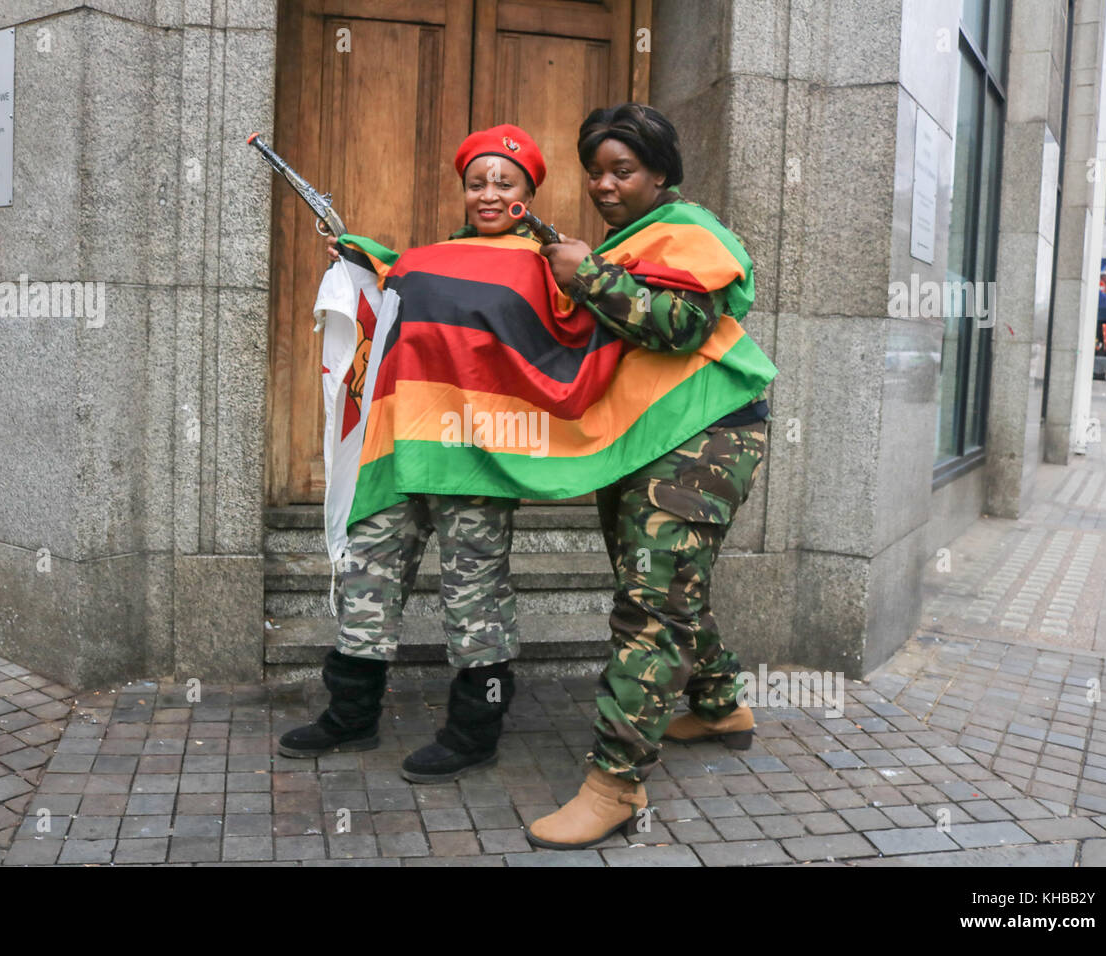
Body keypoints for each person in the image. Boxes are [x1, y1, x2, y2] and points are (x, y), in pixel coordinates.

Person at [528, 103, 774, 848]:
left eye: (622, 170)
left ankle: (615, 786)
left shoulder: (688, 231)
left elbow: (682, 326)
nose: (604, 184)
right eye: (594, 171)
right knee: (665, 589)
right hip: (654, 438)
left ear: (660, 171)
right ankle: (723, 704)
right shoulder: (629, 240)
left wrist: (589, 276)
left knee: (649, 610)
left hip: (703, 439)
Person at [279, 125, 549, 784]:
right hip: (400, 447)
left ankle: (473, 732)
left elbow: (564, 346)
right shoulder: (429, 258)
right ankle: (351, 716)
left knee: (475, 595)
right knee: (368, 571)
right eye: (477, 182)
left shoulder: (547, 264)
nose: (488, 194)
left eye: (503, 183)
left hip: (476, 459)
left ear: (527, 191)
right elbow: (391, 278)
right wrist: (357, 257)